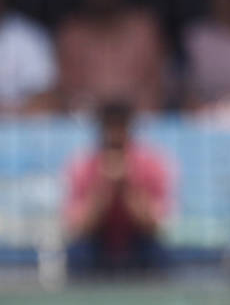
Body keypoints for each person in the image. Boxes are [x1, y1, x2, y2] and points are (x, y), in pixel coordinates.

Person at [63, 100, 171, 278]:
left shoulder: (151, 164)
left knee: (159, 255)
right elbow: (81, 228)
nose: (114, 135)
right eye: (109, 127)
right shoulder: (82, 165)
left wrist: (127, 186)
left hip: (137, 243)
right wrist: (104, 188)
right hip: (97, 243)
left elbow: (154, 226)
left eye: (120, 127)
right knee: (77, 254)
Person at [56, 0, 168, 114]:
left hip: (142, 122)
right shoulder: (72, 34)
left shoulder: (144, 29)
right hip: (84, 125)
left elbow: (157, 86)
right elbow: (68, 91)